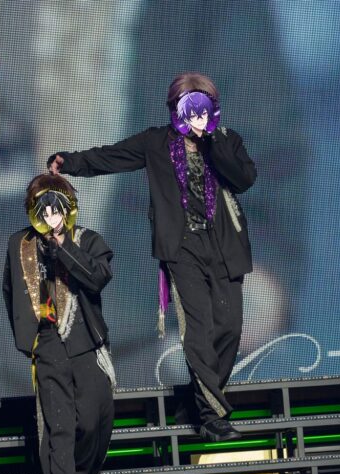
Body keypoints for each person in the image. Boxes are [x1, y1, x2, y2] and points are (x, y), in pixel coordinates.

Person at [48, 72, 256, 442]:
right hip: (182, 250)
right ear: (176, 110)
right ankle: (213, 415)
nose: (197, 115)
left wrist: (213, 143)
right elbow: (110, 156)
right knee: (198, 330)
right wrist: (70, 162)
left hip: (224, 248)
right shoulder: (156, 143)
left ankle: (196, 404)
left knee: (229, 328)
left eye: (204, 107)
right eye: (190, 107)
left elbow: (245, 179)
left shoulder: (227, 140)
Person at [3, 174, 115, 474]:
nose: (50, 214)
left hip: (85, 340)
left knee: (93, 420)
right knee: (59, 431)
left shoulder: (87, 240)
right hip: (47, 343)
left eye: (56, 206)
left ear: (68, 208)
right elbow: (10, 291)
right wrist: (30, 339)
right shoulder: (19, 244)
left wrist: (62, 244)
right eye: (43, 207)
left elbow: (97, 278)